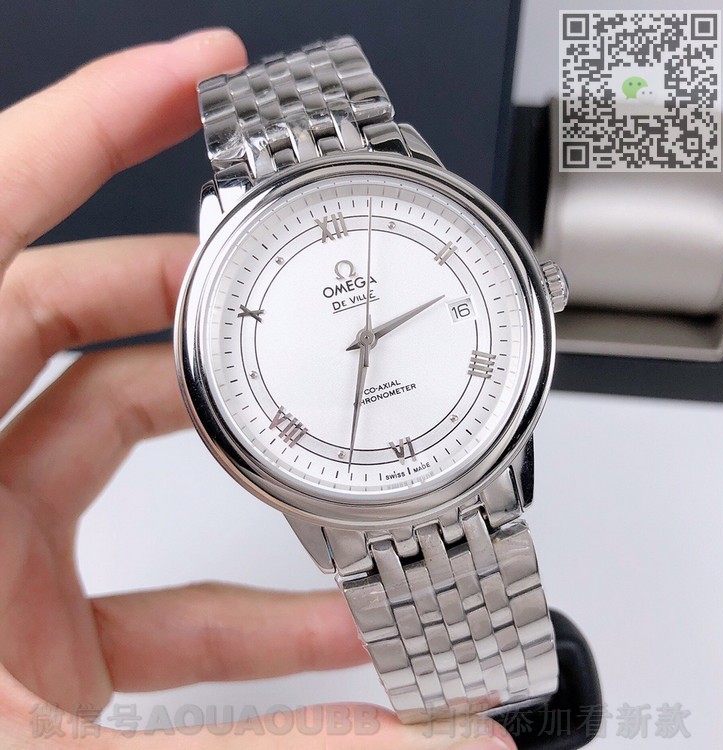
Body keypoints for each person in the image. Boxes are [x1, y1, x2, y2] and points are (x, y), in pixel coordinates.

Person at [0, 29, 516, 750]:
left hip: (472, 454)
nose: (366, 340)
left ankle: (497, 693)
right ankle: (488, 697)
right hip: (352, 483)